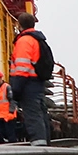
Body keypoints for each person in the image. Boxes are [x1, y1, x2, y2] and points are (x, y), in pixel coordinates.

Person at [9, 11, 52, 145]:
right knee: (40, 113)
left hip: (28, 83)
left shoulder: (24, 41)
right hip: (37, 82)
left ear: (19, 25)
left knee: (32, 115)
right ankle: (45, 142)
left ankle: (39, 146)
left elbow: (22, 67)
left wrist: (16, 88)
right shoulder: (37, 39)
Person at [0, 69, 18, 143]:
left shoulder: (7, 87)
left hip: (7, 115)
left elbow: (12, 100)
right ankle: (2, 145)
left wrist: (11, 112)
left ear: (0, 78)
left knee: (10, 134)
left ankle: (14, 148)